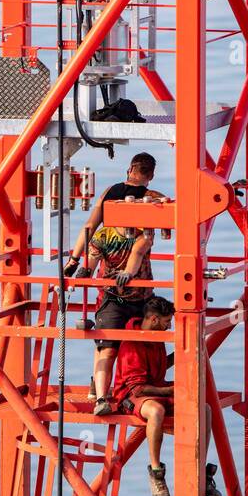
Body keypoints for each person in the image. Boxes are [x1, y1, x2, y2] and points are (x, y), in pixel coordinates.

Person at [63, 153, 160, 418]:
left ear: (130, 169)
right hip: (139, 293)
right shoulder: (150, 199)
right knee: (126, 344)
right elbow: (142, 247)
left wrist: (74, 261)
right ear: (150, 174)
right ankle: (116, 389)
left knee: (107, 344)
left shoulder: (110, 195)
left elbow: (90, 227)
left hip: (111, 291)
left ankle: (101, 392)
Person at [111, 295, 223, 496]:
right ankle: (156, 471)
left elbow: (161, 367)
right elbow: (137, 387)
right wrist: (171, 390)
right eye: (166, 322)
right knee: (155, 412)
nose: (168, 326)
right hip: (131, 395)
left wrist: (186, 355)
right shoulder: (132, 343)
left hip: (155, 387)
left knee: (204, 409)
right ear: (153, 319)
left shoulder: (154, 336)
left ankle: (200, 471)